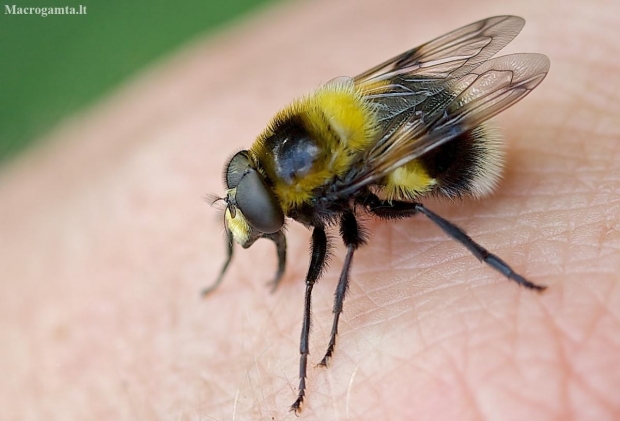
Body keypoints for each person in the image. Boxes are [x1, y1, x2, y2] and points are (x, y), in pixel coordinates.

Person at [1, 1, 619, 419]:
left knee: (367, 236)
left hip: (451, 153)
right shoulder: (284, 148)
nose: (243, 214)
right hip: (399, 107)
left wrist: (313, 353)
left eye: (252, 212)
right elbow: (375, 87)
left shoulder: (314, 182)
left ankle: (492, 264)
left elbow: (342, 246)